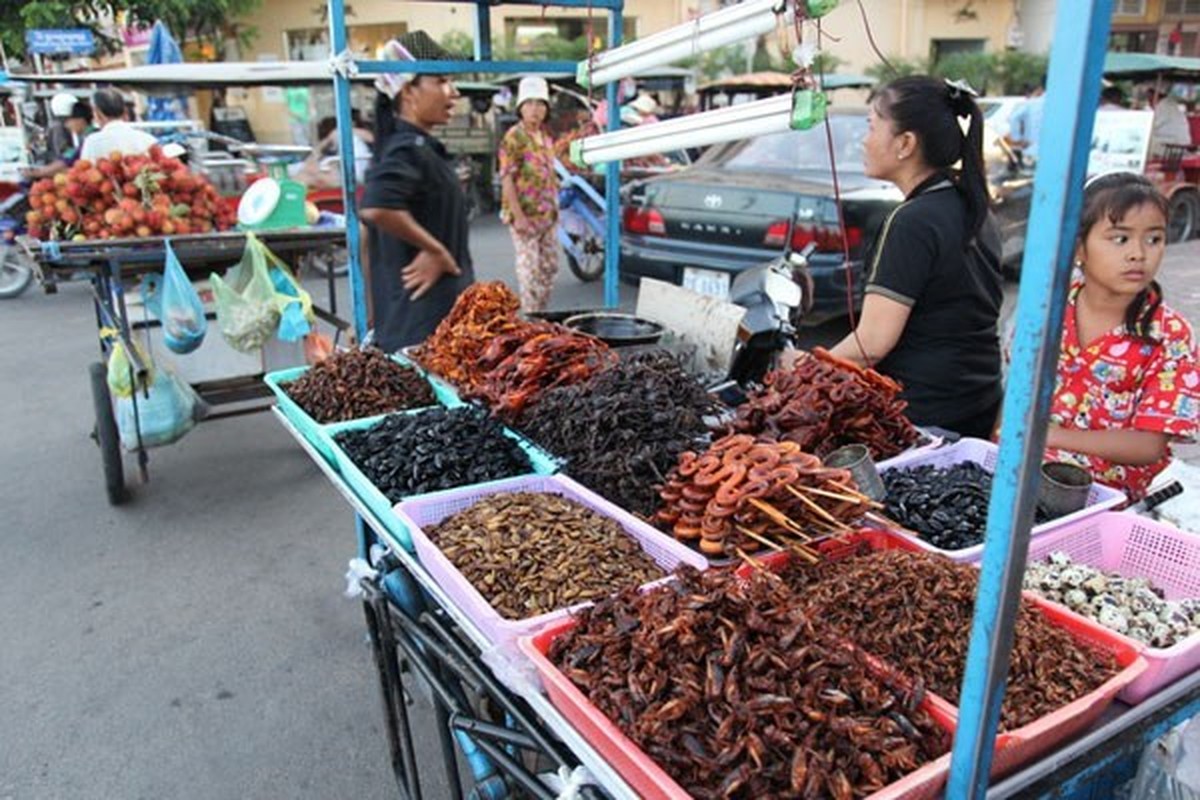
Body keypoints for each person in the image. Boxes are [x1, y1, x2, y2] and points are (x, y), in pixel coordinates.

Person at [824, 75, 1004, 439]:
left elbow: (871, 344)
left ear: (905, 143)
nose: (864, 140)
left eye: (872, 126)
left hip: (923, 417)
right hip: (978, 404)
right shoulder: (972, 206)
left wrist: (805, 366)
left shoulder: (911, 221)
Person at [1042, 173, 1198, 501]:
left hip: (1105, 497)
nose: (1138, 254)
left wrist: (1052, 437)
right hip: (1023, 474)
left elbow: (1148, 445)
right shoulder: (1046, 311)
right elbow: (1017, 391)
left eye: (1153, 239)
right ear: (1079, 246)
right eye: (1119, 239)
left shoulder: (1169, 335)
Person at [358, 34, 473, 351]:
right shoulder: (408, 149)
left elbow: (366, 237)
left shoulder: (410, 148)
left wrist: (374, 311)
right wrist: (437, 251)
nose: (454, 92)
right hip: (426, 332)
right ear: (408, 91)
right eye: (442, 81)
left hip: (417, 325)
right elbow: (376, 208)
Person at [499, 76, 560, 313]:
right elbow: (507, 178)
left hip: (548, 215)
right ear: (521, 107)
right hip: (524, 215)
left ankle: (540, 314)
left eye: (540, 104)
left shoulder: (545, 137)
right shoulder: (514, 137)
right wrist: (519, 216)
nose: (535, 109)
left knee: (550, 267)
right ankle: (530, 316)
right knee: (529, 271)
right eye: (530, 103)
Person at [80, 89, 157, 162]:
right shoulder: (147, 139)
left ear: (97, 113)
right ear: (124, 111)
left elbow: (84, 171)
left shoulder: (92, 142)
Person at [24, 97, 93, 179]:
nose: (67, 125)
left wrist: (39, 173)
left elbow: (67, 160)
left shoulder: (90, 137)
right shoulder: (85, 136)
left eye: (69, 121)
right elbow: (67, 156)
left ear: (80, 120)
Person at [1005, 78, 1046, 163]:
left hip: (1032, 151)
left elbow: (1013, 118)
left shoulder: (1031, 104)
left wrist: (1017, 139)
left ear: (1040, 88)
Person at [1147, 87, 1192, 155]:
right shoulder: (1169, 103)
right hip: (1179, 141)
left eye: (1149, 98)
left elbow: (1154, 125)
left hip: (1174, 143)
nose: (1148, 101)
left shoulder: (1163, 106)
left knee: (1146, 142)